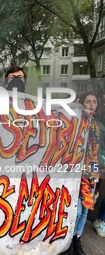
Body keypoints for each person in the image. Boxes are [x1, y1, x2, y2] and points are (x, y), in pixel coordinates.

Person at [62, 92, 105, 255]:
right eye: (88, 101)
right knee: (76, 210)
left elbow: (100, 148)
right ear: (81, 104)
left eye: (94, 101)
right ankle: (67, 242)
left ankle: (76, 240)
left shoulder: (99, 126)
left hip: (92, 170)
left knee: (86, 209)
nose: (92, 104)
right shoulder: (75, 123)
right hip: (76, 171)